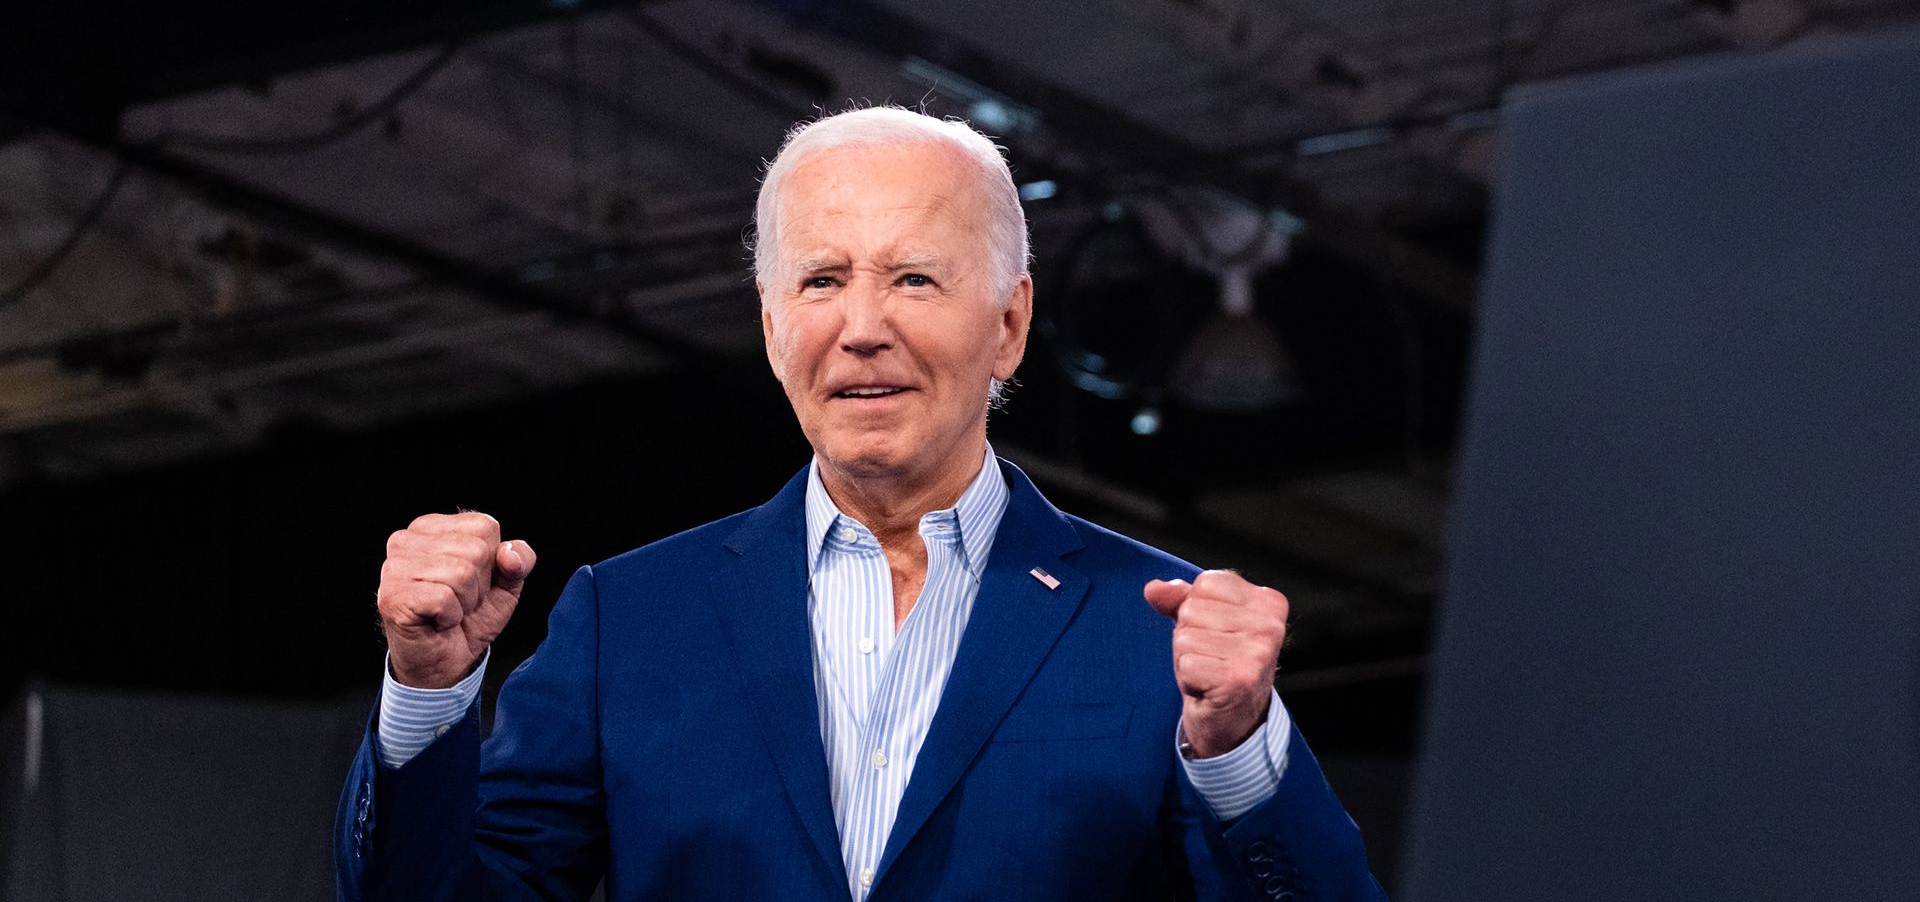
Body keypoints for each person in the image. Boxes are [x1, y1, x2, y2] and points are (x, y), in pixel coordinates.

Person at [335, 106, 1384, 901]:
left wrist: (1241, 750)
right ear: (771, 324)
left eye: (916, 280)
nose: (863, 326)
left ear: (1009, 326)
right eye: (822, 279)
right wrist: (428, 693)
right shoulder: (632, 618)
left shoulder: (1157, 626)